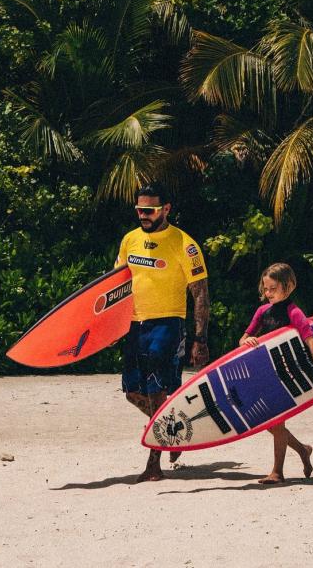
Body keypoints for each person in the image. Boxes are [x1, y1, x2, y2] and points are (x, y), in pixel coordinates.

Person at [116, 182, 210, 482]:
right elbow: (116, 286)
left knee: (156, 388)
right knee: (132, 392)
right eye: (139, 209)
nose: (143, 215)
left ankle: (154, 461)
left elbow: (201, 293)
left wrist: (200, 338)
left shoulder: (185, 244)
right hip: (133, 324)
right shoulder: (129, 240)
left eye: (150, 210)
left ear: (166, 209)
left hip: (167, 323)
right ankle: (172, 431)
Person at [239, 262, 313, 485]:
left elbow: (312, 344)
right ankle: (303, 450)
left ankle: (277, 472)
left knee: (277, 422)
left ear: (288, 286)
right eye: (265, 288)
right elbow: (243, 338)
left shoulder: (294, 313)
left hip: (288, 374)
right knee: (270, 424)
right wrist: (247, 340)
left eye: (273, 288)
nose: (268, 293)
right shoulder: (262, 311)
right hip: (266, 372)